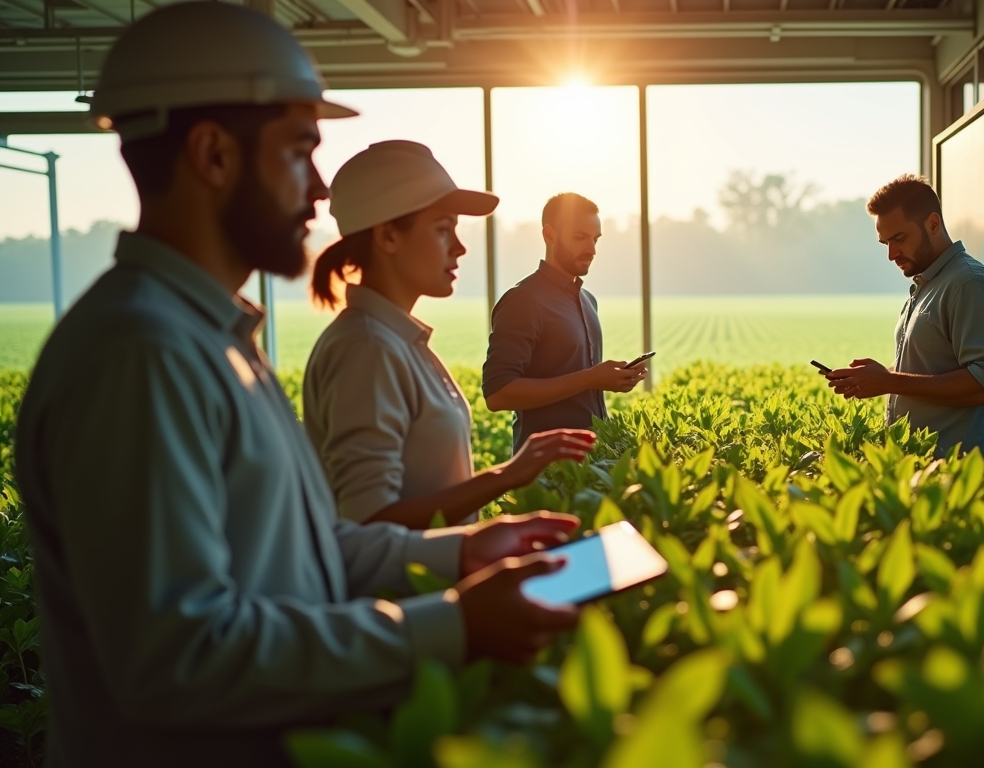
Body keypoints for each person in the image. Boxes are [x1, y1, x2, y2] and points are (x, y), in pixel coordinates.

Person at [14, 5, 577, 765]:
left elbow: (307, 549)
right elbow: (178, 656)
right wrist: (450, 627)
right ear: (213, 155)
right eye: (298, 152)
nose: (317, 190)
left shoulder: (208, 339)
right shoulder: (141, 354)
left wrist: (464, 553)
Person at [303, 141, 596, 528]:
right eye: (443, 230)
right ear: (388, 236)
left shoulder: (394, 341)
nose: (460, 248)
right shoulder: (367, 349)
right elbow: (370, 523)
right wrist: (505, 477)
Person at [825, 174, 984, 470]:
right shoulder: (930, 283)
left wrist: (888, 382)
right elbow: (931, 370)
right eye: (885, 243)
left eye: (899, 239)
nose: (891, 254)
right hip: (921, 479)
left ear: (933, 224)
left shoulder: (969, 284)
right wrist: (879, 376)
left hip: (955, 483)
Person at [483, 193, 647, 453]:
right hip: (545, 468)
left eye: (595, 239)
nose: (591, 250)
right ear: (549, 235)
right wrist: (590, 378)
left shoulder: (588, 300)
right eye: (580, 237)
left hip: (594, 461)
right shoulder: (522, 301)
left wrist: (612, 379)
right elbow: (497, 393)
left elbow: (582, 381)